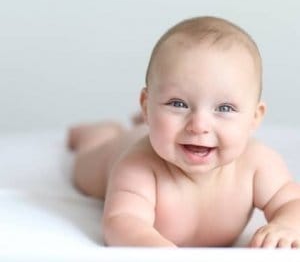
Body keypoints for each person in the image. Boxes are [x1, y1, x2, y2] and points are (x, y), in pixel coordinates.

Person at [68, 16, 300, 248]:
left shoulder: (257, 164)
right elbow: (122, 222)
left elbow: (292, 201)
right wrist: (158, 249)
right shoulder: (138, 166)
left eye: (224, 108)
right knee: (87, 167)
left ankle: (149, 119)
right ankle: (98, 132)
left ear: (254, 117)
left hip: (155, 128)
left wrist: (287, 224)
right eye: (178, 104)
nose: (199, 126)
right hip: (117, 150)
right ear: (146, 105)